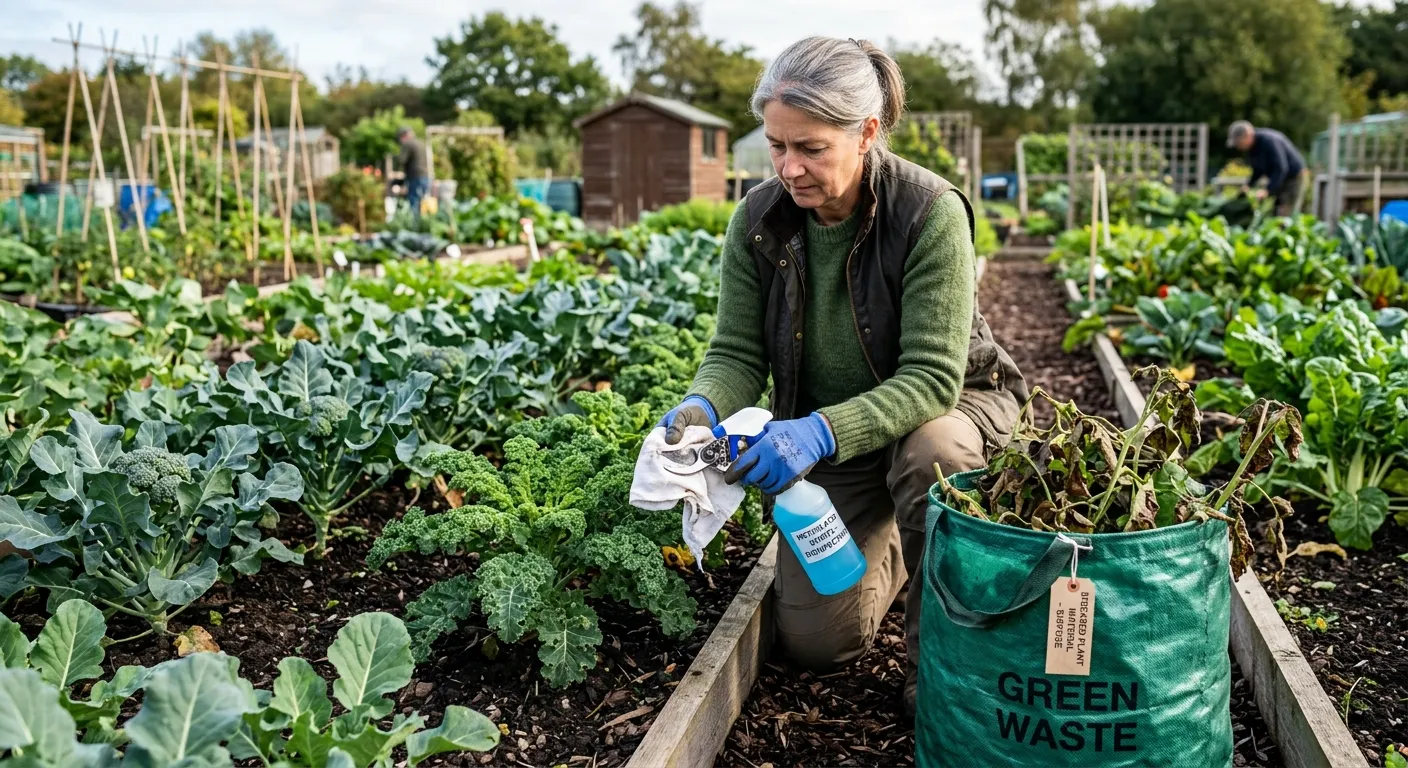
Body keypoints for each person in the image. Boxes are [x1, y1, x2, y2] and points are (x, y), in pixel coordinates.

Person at [655, 35, 1027, 715]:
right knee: (819, 644)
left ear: (867, 133)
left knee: (934, 455)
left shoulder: (928, 212)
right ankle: (897, 538)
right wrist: (700, 408)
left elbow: (930, 380)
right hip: (835, 437)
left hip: (944, 411)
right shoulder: (758, 220)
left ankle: (944, 667)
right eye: (777, 145)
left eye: (811, 148)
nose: (789, 168)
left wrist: (817, 433)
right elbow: (737, 352)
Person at [1228, 120, 1307, 217]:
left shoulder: (1269, 141)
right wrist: (1248, 185)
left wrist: (1267, 191)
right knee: (1275, 214)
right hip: (1280, 178)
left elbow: (1280, 168)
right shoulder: (1252, 149)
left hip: (1294, 177)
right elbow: (1257, 170)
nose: (1238, 147)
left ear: (1248, 135)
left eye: (1239, 143)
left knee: (1285, 214)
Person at [397, 126, 429, 219]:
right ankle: (424, 222)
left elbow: (401, 160)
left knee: (414, 201)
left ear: (404, 136)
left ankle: (415, 224)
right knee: (423, 201)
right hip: (425, 176)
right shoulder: (421, 143)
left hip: (414, 176)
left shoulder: (408, 144)